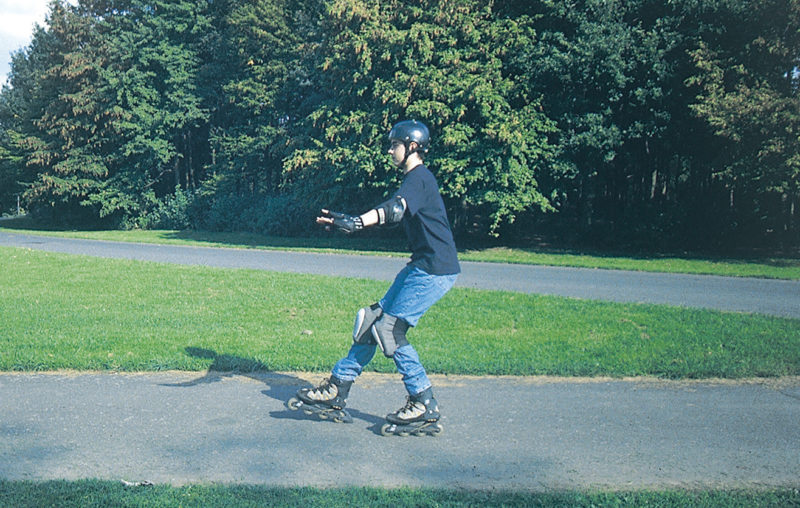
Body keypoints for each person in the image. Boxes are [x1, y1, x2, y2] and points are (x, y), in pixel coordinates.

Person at [286, 120, 460, 436]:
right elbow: (396, 213)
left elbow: (395, 209)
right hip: (421, 265)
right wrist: (350, 221)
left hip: (435, 269)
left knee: (389, 330)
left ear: (413, 147)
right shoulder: (414, 180)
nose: (390, 150)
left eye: (395, 144)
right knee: (370, 321)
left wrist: (358, 222)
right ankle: (338, 387)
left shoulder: (419, 179)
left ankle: (423, 400)